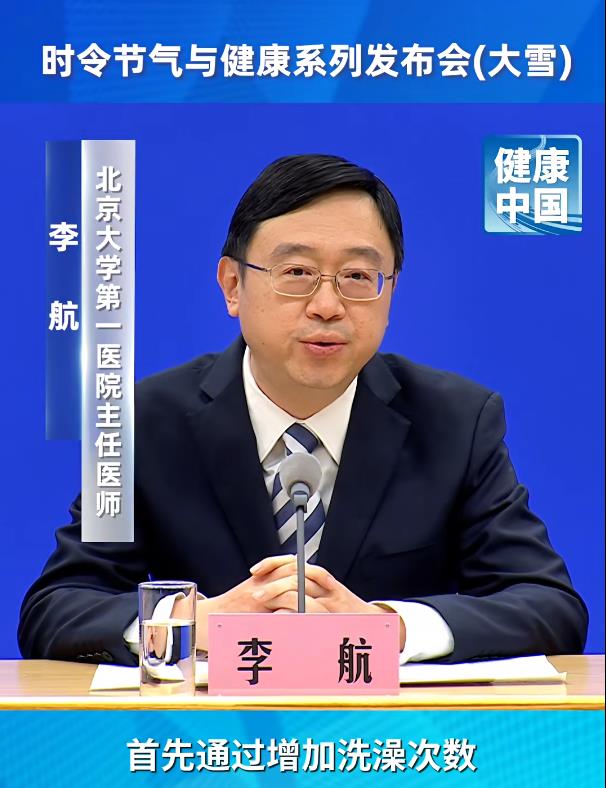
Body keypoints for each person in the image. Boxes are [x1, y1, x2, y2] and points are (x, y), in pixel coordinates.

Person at [19, 154, 587, 667]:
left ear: (391, 290)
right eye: (296, 274)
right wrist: (190, 623)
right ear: (232, 285)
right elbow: (57, 607)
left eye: (358, 277)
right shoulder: (145, 421)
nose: (327, 305)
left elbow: (548, 605)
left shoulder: (456, 422)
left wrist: (388, 628)